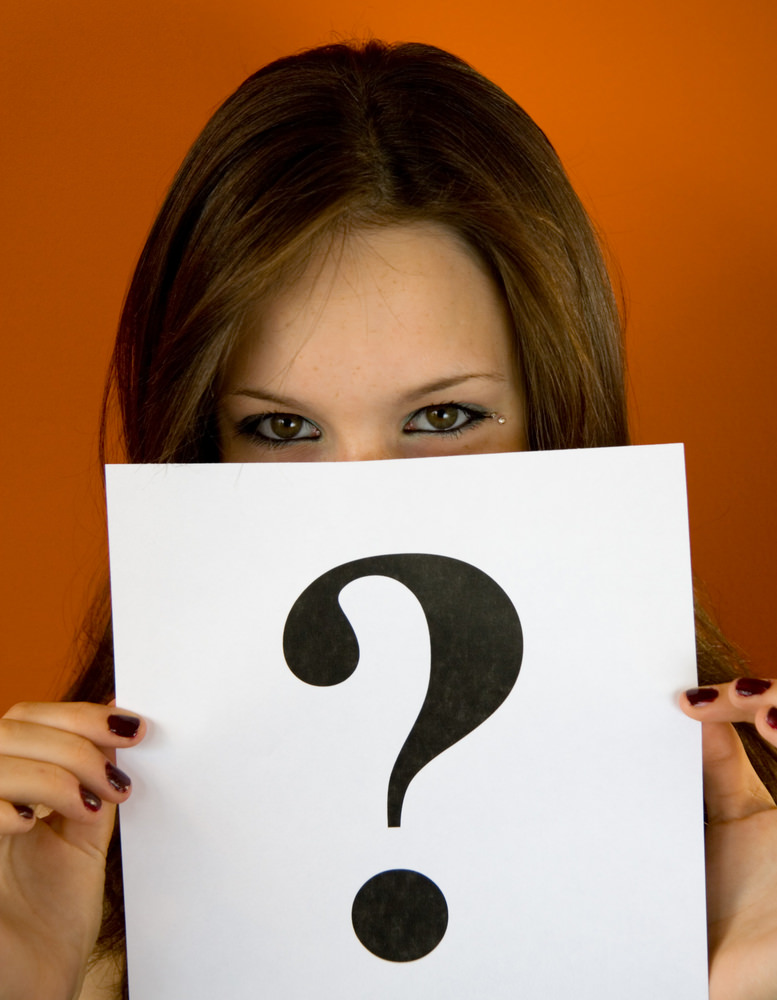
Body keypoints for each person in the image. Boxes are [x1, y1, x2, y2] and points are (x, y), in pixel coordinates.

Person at [1, 39, 776, 1000]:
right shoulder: (71, 908)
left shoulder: (737, 876)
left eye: (442, 418)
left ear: (559, 424)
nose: (360, 505)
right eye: (281, 428)